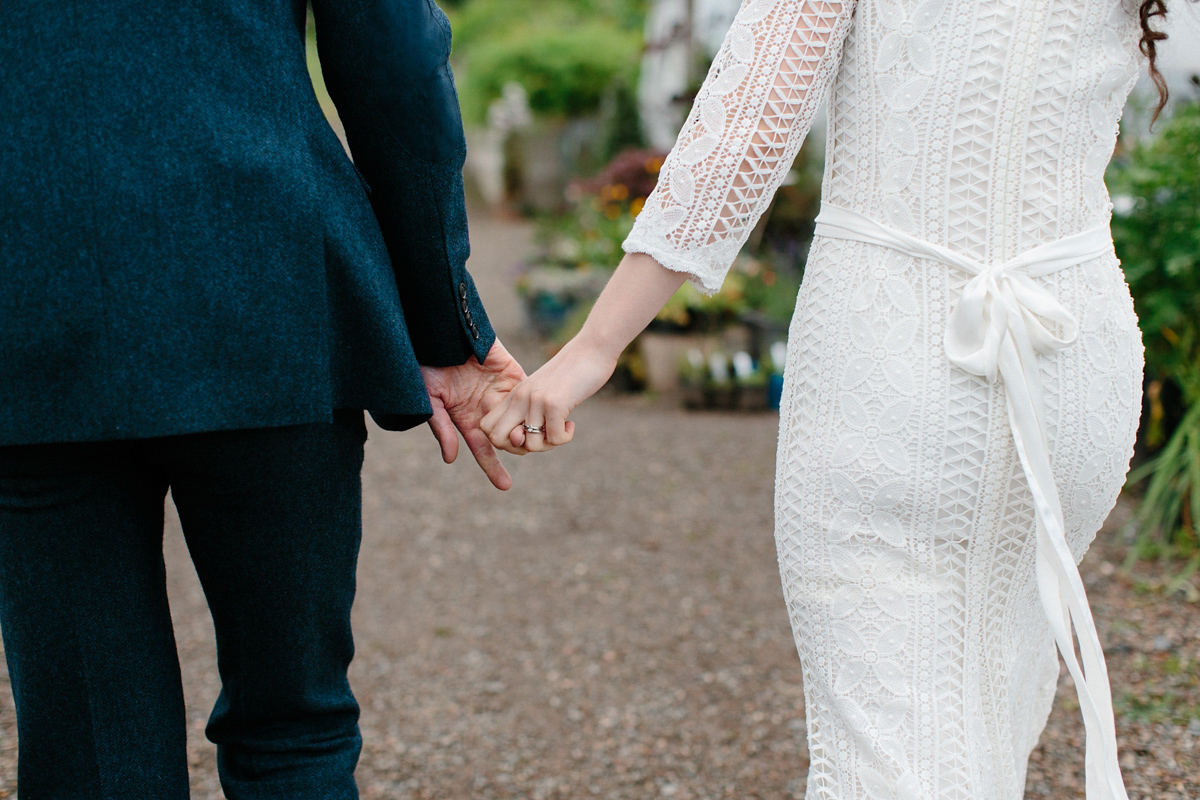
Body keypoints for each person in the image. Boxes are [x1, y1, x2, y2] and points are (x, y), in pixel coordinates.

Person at [482, 0, 1186, 797]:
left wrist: (594, 347)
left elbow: (748, 127)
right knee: (989, 705)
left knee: (888, 753)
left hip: (895, 358)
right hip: (1073, 355)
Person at [0, 1, 524, 797]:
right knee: (293, 731)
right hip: (266, 276)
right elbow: (395, 58)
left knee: (90, 748)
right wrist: (440, 321)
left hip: (29, 292)